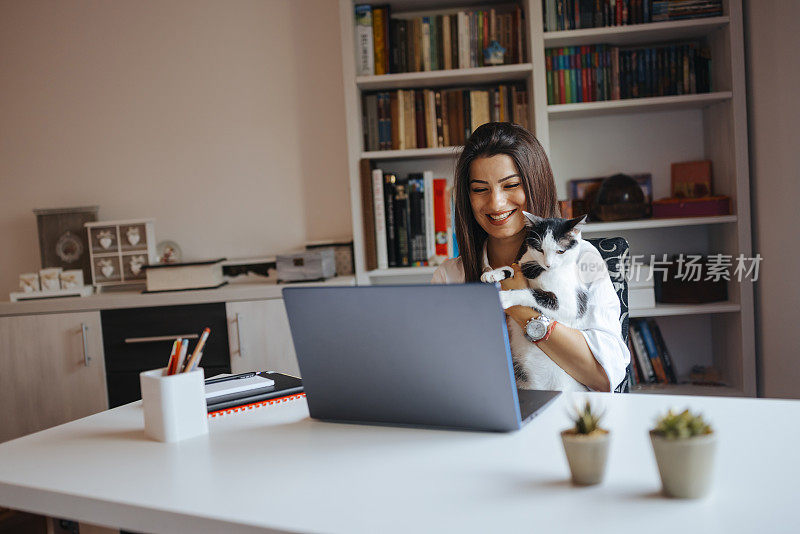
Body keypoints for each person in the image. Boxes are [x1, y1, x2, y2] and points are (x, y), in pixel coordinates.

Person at [431, 122, 629, 392]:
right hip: (484, 422)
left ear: (536, 185)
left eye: (510, 185)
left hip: (562, 422)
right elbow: (441, 372)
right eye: (480, 189)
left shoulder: (584, 259)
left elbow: (605, 376)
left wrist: (519, 308)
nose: (496, 203)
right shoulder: (450, 276)